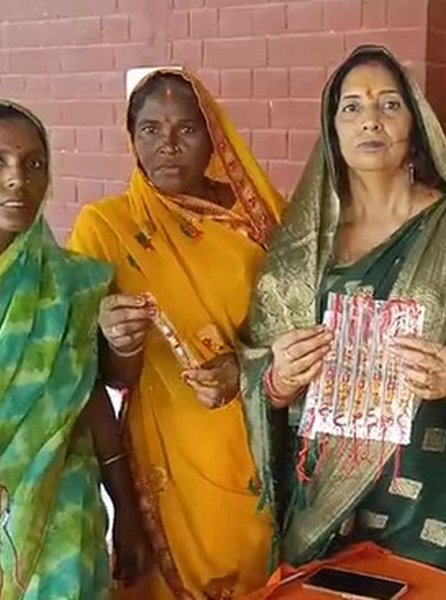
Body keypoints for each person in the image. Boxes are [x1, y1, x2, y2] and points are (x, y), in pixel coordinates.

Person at [240, 45, 446, 576]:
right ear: (332, 129)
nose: (371, 121)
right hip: (323, 488)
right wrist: (278, 379)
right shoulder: (302, 245)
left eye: (389, 105)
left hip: (431, 485)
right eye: (352, 107)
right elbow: (259, 372)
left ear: (416, 124)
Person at [67, 68, 285, 599]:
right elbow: (99, 378)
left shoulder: (259, 222)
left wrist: (241, 367)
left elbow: (298, 328)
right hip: (165, 448)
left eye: (186, 129)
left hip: (256, 438)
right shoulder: (106, 227)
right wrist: (120, 343)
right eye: (149, 129)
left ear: (214, 137)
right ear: (132, 136)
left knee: (263, 573)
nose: (166, 145)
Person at [0, 100, 148, 598]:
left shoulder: (73, 285)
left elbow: (88, 398)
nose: (18, 179)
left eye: (33, 163)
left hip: (62, 518)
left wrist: (124, 508)